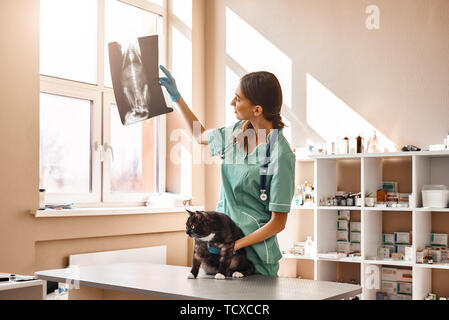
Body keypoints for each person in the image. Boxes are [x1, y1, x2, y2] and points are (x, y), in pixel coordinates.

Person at [159, 65, 295, 276]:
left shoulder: (281, 155)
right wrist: (177, 98)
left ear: (257, 110)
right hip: (220, 250)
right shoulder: (235, 133)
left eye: (238, 99)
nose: (232, 103)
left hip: (255, 258)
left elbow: (278, 222)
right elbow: (199, 135)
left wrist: (237, 244)